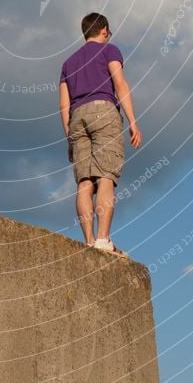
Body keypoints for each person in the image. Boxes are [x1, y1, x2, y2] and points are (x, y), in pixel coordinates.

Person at [59, 13, 142, 258]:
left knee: (85, 182)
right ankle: (104, 240)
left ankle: (89, 241)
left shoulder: (68, 63)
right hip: (103, 111)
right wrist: (133, 122)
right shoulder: (109, 51)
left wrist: (70, 138)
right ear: (104, 30)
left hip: (77, 117)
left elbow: (64, 105)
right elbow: (121, 85)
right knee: (106, 176)